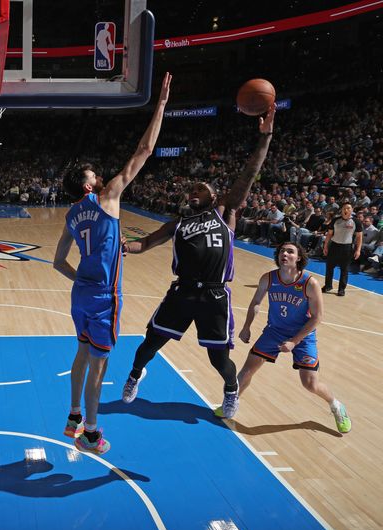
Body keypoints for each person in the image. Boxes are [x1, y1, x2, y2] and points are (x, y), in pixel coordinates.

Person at [121, 104, 277, 420]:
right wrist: (125, 247)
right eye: (191, 189)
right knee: (150, 343)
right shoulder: (177, 222)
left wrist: (265, 137)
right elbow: (146, 243)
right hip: (182, 293)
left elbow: (249, 173)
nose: (193, 192)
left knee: (219, 360)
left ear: (214, 196)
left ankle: (231, 391)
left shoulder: (225, 212)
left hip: (215, 296)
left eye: (200, 189)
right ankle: (135, 375)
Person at [53, 72, 172, 455]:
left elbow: (58, 261)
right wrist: (161, 107)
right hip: (104, 298)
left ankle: (73, 415)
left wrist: (82, 279)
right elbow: (143, 151)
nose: (97, 173)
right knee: (97, 367)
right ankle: (89, 433)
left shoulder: (72, 214)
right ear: (89, 186)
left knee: (81, 355)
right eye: (92, 173)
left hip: (81, 295)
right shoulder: (106, 198)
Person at [224, 242, 351, 433]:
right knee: (248, 369)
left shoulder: (310, 283)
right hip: (274, 331)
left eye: (290, 251)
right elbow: (256, 302)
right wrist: (247, 326)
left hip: (302, 335)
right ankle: (231, 403)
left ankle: (336, 405)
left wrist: (294, 341)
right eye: (282, 251)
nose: (284, 254)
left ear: (298, 257)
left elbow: (317, 318)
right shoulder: (268, 278)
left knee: (310, 383)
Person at [322, 202, 362, 296]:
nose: (346, 210)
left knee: (344, 269)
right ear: (342, 210)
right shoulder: (335, 220)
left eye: (348, 208)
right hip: (334, 246)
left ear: (351, 210)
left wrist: (358, 250)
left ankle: (341, 289)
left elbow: (359, 237)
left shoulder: (356, 222)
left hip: (347, 248)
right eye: (344, 208)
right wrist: (325, 246)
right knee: (329, 268)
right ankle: (328, 286)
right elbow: (329, 234)